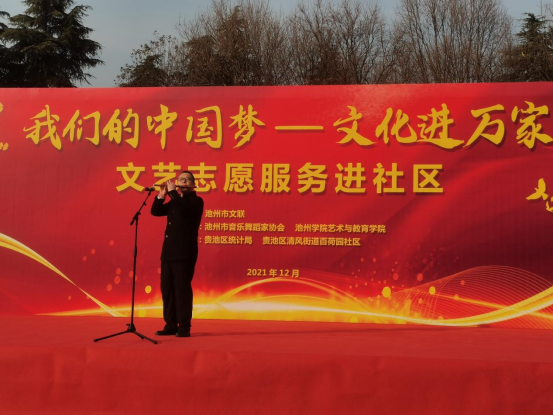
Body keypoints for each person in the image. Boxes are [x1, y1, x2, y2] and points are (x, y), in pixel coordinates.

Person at [151, 171, 204, 337]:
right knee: (167, 290)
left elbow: (183, 210)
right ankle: (171, 324)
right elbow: (156, 211)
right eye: (181, 179)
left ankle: (184, 327)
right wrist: (161, 195)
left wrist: (173, 192)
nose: (183, 182)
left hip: (184, 253)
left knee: (182, 290)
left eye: (187, 180)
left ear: (193, 184)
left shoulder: (196, 201)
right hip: (168, 252)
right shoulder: (175, 201)